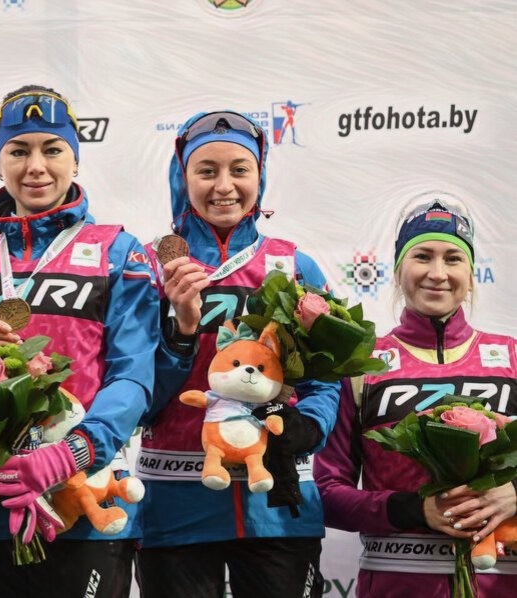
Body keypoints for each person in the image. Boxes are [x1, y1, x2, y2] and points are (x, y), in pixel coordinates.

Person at [0, 85, 158, 597]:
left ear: (75, 159)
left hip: (86, 498)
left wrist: (74, 452)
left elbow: (134, 375)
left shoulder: (118, 251)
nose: (36, 167)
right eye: (18, 151)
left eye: (52, 149)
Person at [135, 111, 341, 598]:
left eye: (239, 169)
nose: (224, 186)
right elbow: (139, 396)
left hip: (277, 504)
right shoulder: (149, 265)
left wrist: (309, 425)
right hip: (176, 502)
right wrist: (181, 332)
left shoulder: (294, 265)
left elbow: (326, 377)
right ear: (182, 178)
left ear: (260, 176)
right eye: (206, 171)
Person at [314, 198, 517, 597]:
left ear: (472, 274)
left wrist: (514, 494)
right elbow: (327, 492)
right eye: (422, 256)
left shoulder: (511, 357)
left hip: (500, 580)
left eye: (453, 259)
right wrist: (414, 509)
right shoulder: (361, 365)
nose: (438, 273)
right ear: (397, 270)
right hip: (398, 582)